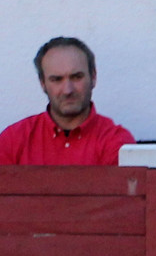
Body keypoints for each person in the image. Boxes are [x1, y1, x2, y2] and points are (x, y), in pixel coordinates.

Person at [0, 36, 132, 166]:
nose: (67, 90)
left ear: (93, 77)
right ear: (43, 83)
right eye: (57, 79)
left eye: (76, 77)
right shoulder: (13, 140)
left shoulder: (118, 143)